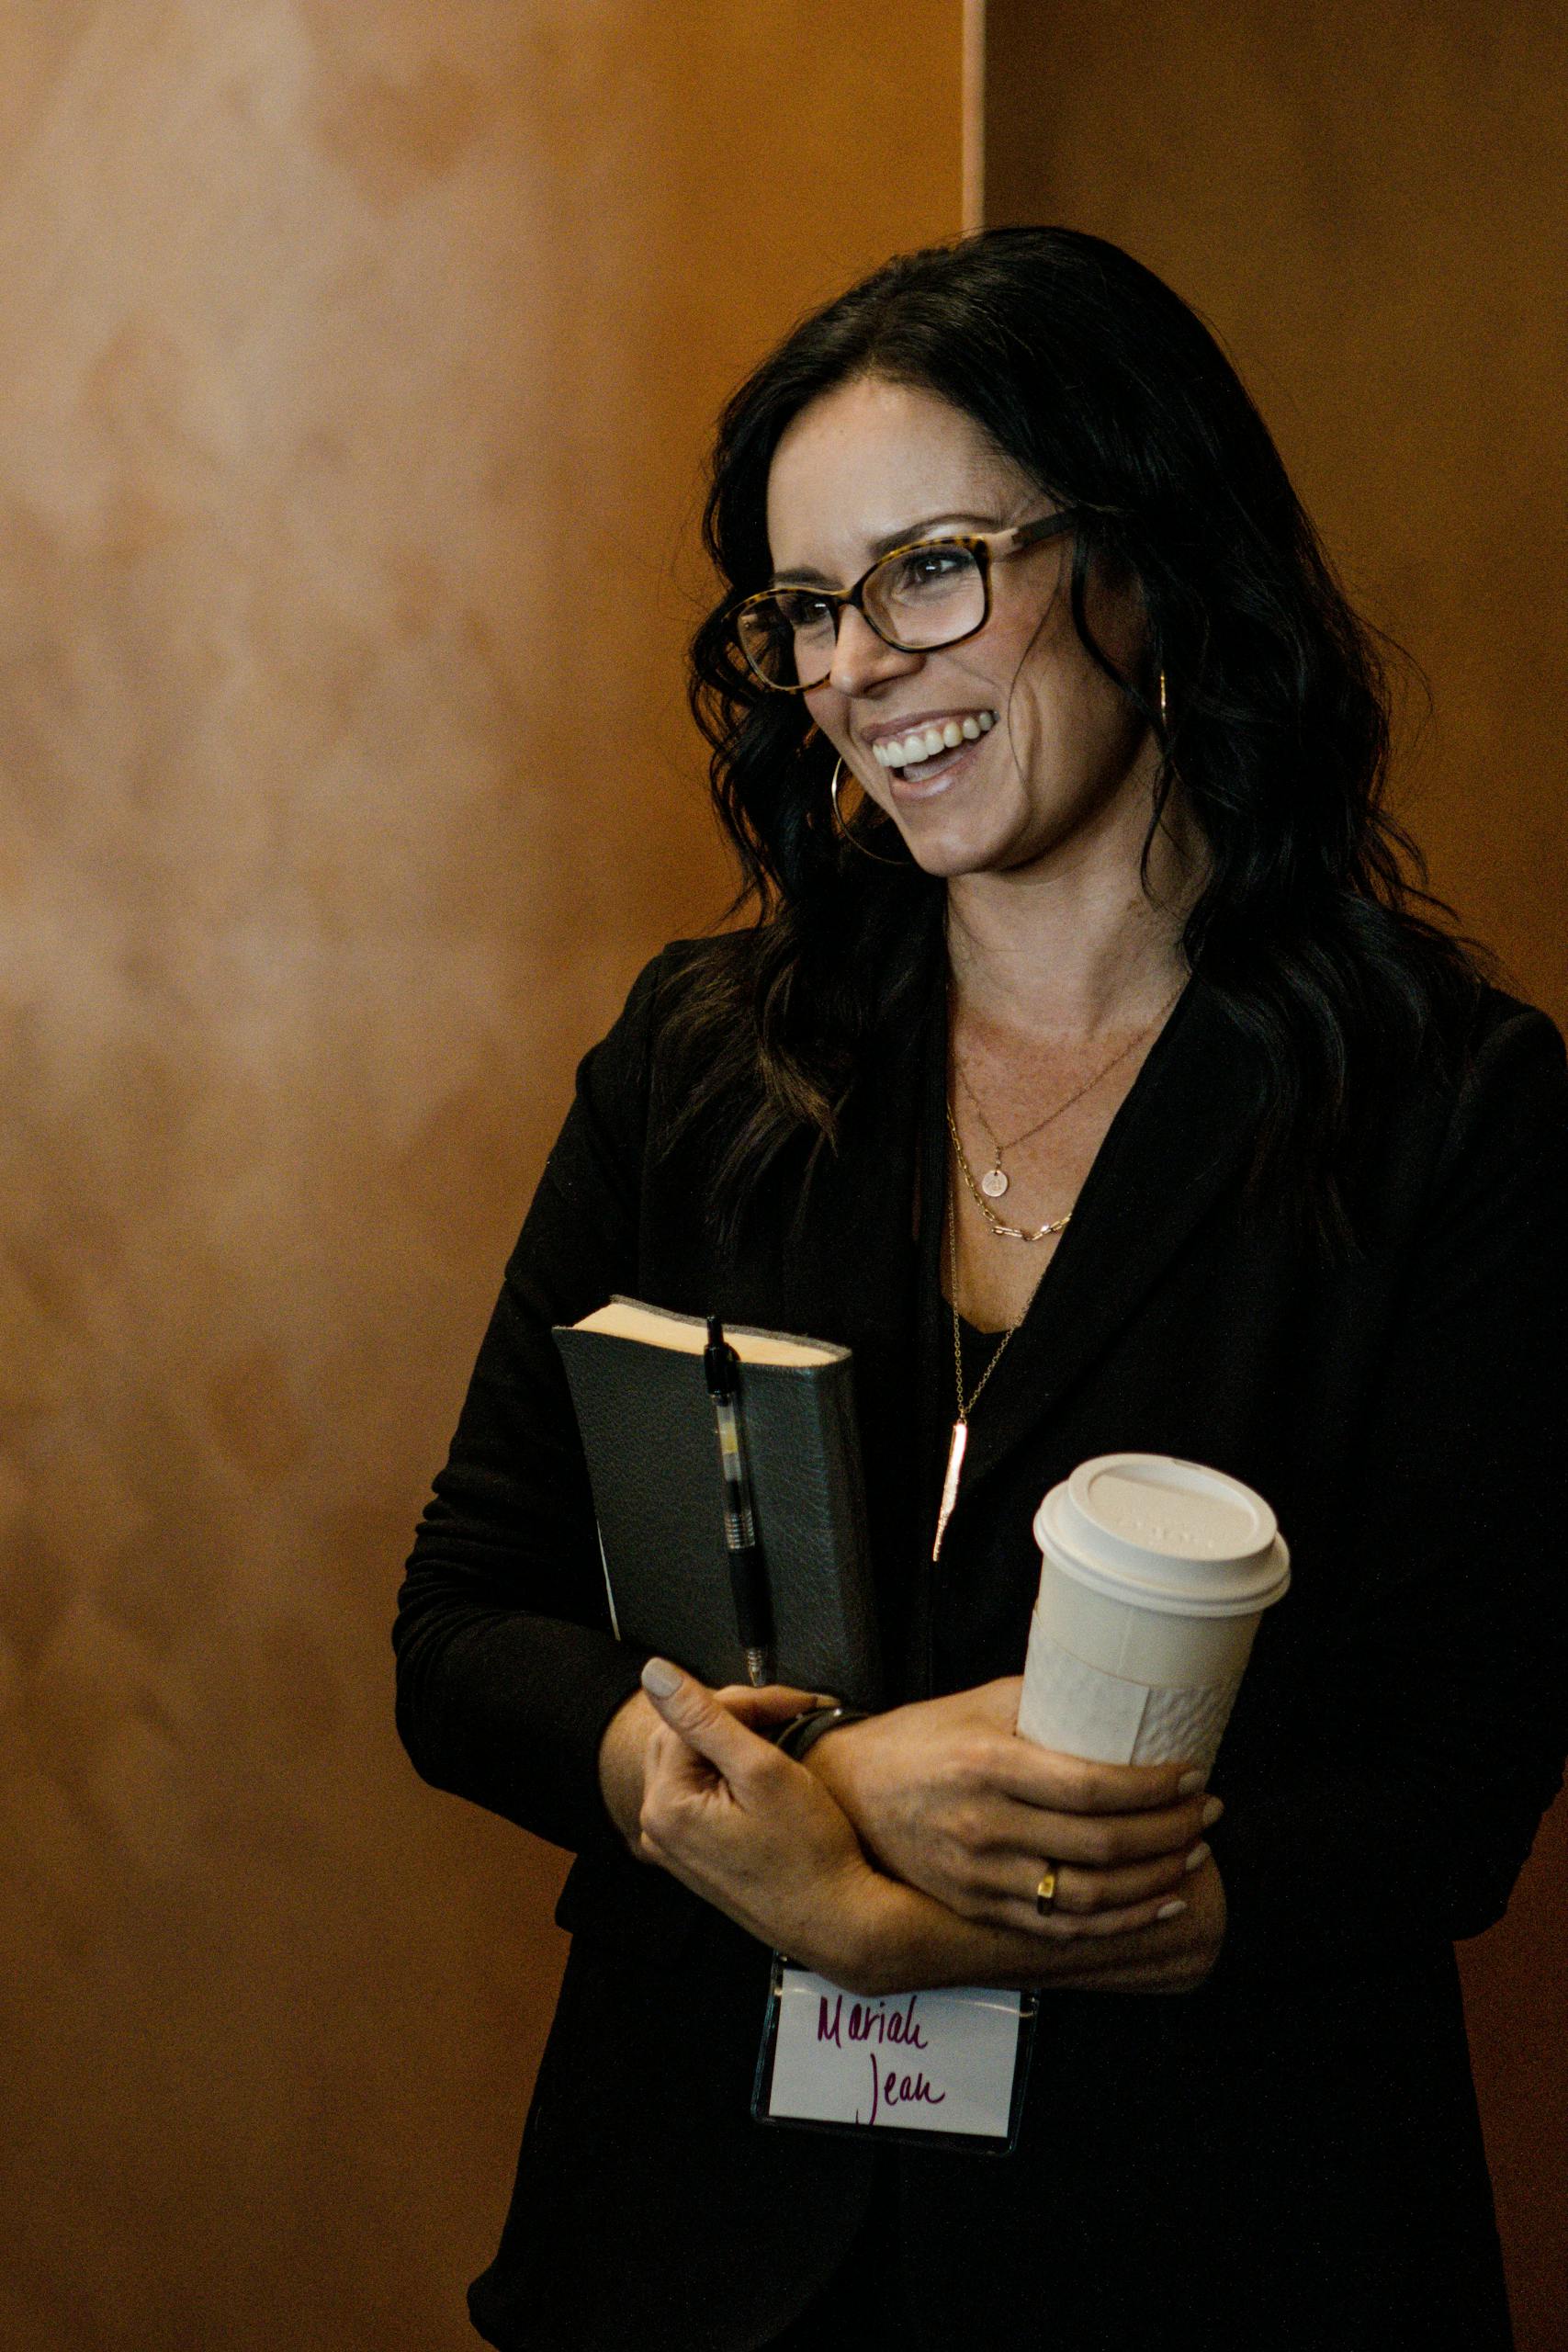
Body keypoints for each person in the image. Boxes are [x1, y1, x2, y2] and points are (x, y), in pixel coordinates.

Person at [393, 228, 1568, 2351]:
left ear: (1144, 557)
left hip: (1207, 2241)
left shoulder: (1447, 1106)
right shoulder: (700, 1054)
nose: (854, 665)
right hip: (689, 2243)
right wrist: (803, 1805)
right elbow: (464, 1622)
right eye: (809, 607)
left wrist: (894, 1906)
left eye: (933, 566)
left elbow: (1447, 1788)